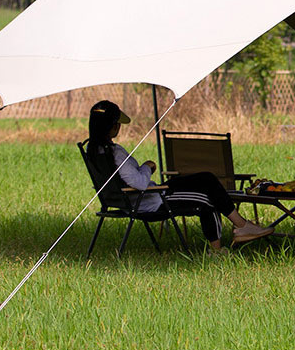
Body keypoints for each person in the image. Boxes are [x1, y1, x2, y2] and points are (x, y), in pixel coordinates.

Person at [87, 100, 272, 252]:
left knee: (206, 178)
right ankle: (223, 245)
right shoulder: (115, 153)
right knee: (207, 198)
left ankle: (240, 226)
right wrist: (147, 167)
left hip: (140, 199)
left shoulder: (94, 152)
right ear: (112, 126)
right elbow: (139, 183)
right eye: (117, 123)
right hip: (154, 200)